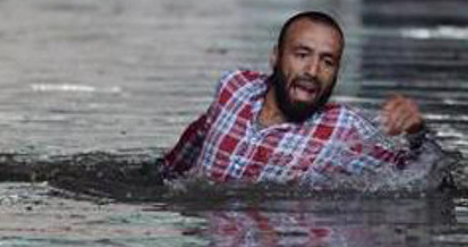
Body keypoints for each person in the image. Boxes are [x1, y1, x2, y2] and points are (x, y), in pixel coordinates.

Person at [161, 11, 429, 185]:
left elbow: (424, 180)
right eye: (302, 55)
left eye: (327, 61)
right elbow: (196, 140)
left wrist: (416, 133)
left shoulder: (344, 130)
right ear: (276, 57)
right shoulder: (234, 88)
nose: (313, 71)